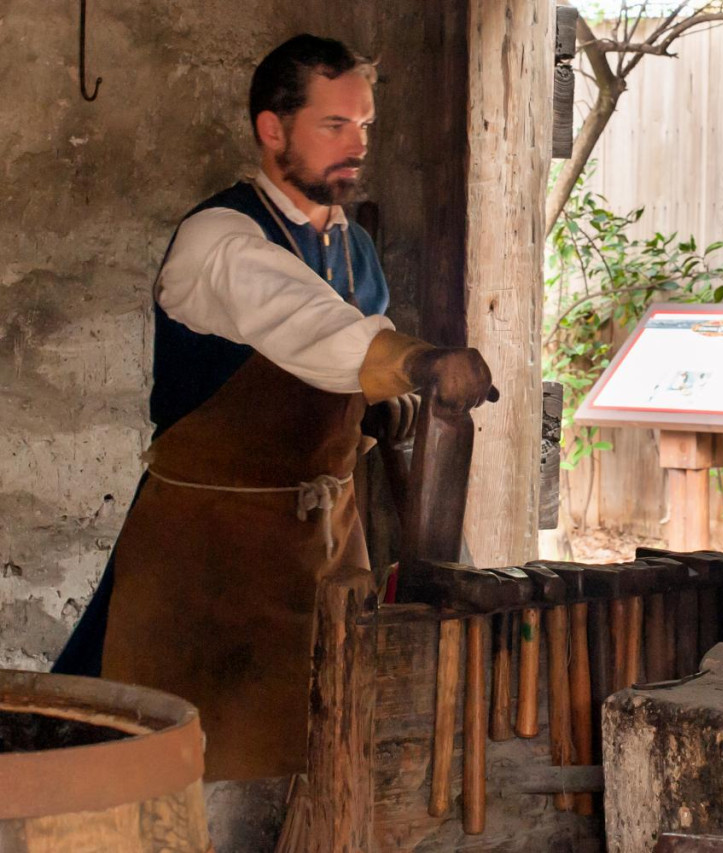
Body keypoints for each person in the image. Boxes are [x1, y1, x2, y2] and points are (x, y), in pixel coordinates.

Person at [52, 34, 495, 781]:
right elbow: (305, 324)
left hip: (325, 555)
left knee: (324, 765)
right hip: (207, 564)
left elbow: (344, 381)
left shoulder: (355, 250)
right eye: (334, 125)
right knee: (167, 771)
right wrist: (415, 362)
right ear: (271, 127)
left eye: (365, 125)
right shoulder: (219, 238)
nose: (357, 144)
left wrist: (389, 414)